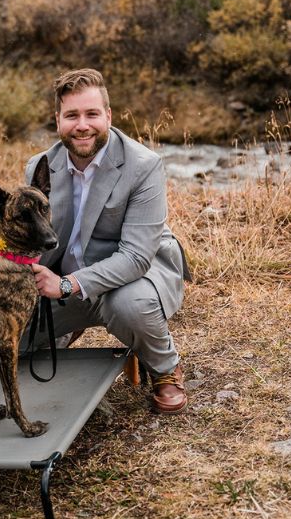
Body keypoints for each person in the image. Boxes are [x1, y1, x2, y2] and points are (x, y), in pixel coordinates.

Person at [24, 68, 191, 414]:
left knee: (128, 306)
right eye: (72, 115)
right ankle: (68, 327)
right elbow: (34, 239)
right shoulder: (38, 167)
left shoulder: (144, 165)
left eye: (91, 114)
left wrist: (68, 286)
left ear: (108, 116)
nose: (82, 125)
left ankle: (164, 367)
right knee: (9, 341)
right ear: (58, 120)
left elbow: (135, 258)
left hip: (132, 278)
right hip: (62, 280)